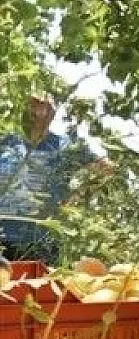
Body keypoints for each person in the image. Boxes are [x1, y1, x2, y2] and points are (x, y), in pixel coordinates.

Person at [0, 96, 91, 264]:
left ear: (52, 112)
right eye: (30, 103)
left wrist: (77, 195)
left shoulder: (65, 145)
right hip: (2, 234)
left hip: (41, 240)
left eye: (41, 104)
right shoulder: (6, 142)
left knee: (34, 288)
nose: (34, 109)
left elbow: (105, 168)